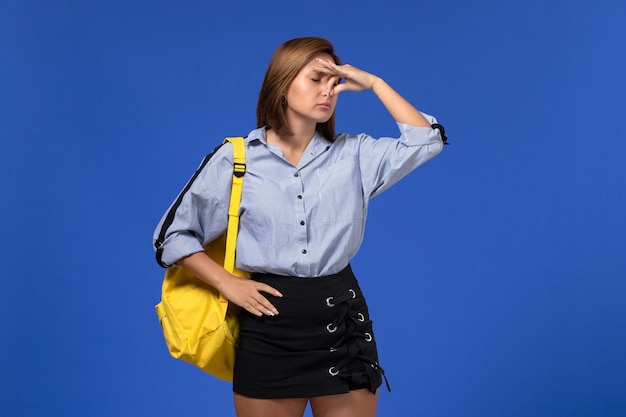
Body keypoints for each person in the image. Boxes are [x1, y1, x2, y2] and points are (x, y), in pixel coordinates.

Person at [154, 36, 445, 417]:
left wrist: (373, 83)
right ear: (282, 86)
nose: (329, 90)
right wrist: (227, 283)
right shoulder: (237, 159)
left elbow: (426, 141)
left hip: (343, 321)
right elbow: (170, 236)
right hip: (269, 327)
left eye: (334, 81)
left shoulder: (354, 155)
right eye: (316, 79)